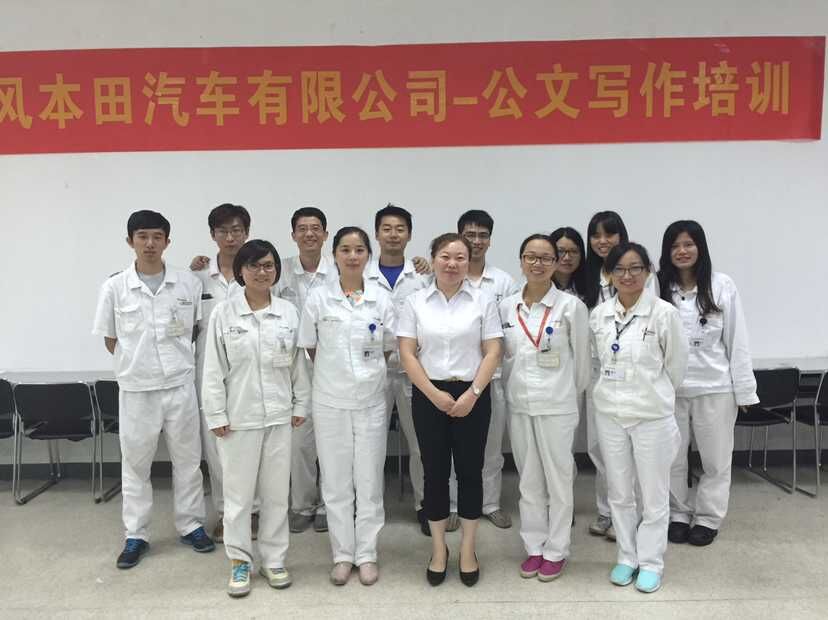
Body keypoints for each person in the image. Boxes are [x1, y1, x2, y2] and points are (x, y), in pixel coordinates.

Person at [92, 210, 215, 570]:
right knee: (136, 465)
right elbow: (111, 340)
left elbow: (193, 330)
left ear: (167, 241)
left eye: (157, 237)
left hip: (179, 385)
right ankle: (137, 534)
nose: (150, 243)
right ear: (130, 241)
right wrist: (138, 362)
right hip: (137, 389)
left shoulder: (187, 283)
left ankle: (191, 525)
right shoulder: (115, 287)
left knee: (189, 461)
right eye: (142, 236)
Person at [201, 239, 311, 597]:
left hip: (279, 417)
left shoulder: (288, 313)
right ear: (240, 271)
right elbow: (213, 369)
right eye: (254, 265)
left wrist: (300, 405)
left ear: (276, 270)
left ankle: (274, 559)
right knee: (238, 497)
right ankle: (239, 560)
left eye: (268, 265)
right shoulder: (224, 314)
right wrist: (216, 413)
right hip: (238, 419)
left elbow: (298, 365)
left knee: (277, 495)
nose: (262, 272)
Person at [398, 233, 503, 587]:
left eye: (460, 257)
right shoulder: (415, 302)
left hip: (473, 393)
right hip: (428, 393)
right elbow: (407, 353)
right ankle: (439, 549)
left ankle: (469, 549)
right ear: (433, 259)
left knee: (471, 472)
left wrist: (473, 393)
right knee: (434, 473)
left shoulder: (483, 300)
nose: (453, 263)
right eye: (445, 256)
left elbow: (493, 350)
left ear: (468, 262)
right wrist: (433, 394)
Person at [297, 226, 396, 586]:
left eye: (359, 250)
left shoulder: (381, 299)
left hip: (371, 402)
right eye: (345, 250)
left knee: (368, 481)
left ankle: (366, 553)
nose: (352, 256)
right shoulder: (318, 298)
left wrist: (366, 377)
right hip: (330, 401)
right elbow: (310, 346)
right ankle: (342, 554)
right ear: (334, 255)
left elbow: (389, 346)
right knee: (336, 481)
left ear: (368, 255)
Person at [590, 242, 687, 594]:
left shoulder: (663, 314)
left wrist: (652, 394)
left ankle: (651, 562)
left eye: (635, 268)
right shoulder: (599, 315)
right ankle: (626, 557)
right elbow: (597, 360)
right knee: (619, 491)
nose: (627, 275)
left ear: (648, 271)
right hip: (610, 414)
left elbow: (676, 368)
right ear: (609, 274)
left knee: (654, 494)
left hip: (651, 416)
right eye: (619, 269)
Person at [658, 220, 758, 547]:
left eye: (688, 244)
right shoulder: (658, 286)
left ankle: (707, 518)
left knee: (716, 460)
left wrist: (745, 390)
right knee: (672, 458)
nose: (682, 251)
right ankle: (678, 514)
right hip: (670, 390)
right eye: (675, 246)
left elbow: (737, 339)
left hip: (715, 388)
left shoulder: (721, 285)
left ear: (700, 247)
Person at [500, 235, 590, 582]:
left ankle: (556, 550)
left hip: (558, 406)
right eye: (531, 257)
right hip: (520, 404)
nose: (537, 264)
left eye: (545, 258)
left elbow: (582, 365)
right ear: (521, 261)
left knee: (559, 480)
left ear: (556, 263)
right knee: (528, 480)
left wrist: (566, 395)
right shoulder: (507, 307)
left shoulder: (570, 307)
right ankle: (534, 546)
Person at [582, 211, 657, 541]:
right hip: (598, 374)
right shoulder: (586, 276)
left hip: (635, 375)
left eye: (609, 234)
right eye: (596, 235)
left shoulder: (641, 276)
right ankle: (607, 511)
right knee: (601, 448)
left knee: (635, 449)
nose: (602, 241)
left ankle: (634, 514)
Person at [365, 204, 431, 536]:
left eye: (400, 229)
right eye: (387, 228)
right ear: (377, 234)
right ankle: (369, 508)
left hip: (412, 372)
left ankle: (425, 505)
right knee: (371, 443)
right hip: (372, 371)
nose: (393, 235)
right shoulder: (361, 274)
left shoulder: (423, 276)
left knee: (421, 442)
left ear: (409, 235)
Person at [453, 209, 519, 531]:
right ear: (460, 236)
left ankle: (490, 503)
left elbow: (511, 330)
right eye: (470, 234)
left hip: (492, 376)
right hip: (455, 376)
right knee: (454, 447)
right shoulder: (448, 274)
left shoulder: (503, 282)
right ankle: (454, 504)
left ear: (490, 241)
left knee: (491, 446)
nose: (476, 241)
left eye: (482, 235)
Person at [191, 203, 251, 543]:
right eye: (223, 231)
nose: (230, 237)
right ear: (213, 235)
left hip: (249, 371)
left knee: (251, 443)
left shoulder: (258, 272)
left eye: (237, 230)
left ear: (246, 233)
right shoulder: (197, 277)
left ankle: (253, 511)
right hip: (209, 371)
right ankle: (227, 513)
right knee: (216, 445)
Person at [277, 207, 339, 534]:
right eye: (302, 229)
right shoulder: (281, 271)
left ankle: (329, 505)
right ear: (293, 235)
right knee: (299, 442)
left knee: (331, 441)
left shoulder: (339, 269)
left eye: (316, 228)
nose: (309, 234)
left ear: (326, 234)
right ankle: (302, 504)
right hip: (293, 368)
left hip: (332, 366)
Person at [549, 227, 588, 300]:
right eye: (560, 251)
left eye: (574, 251)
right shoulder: (539, 286)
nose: (567, 258)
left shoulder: (591, 287)